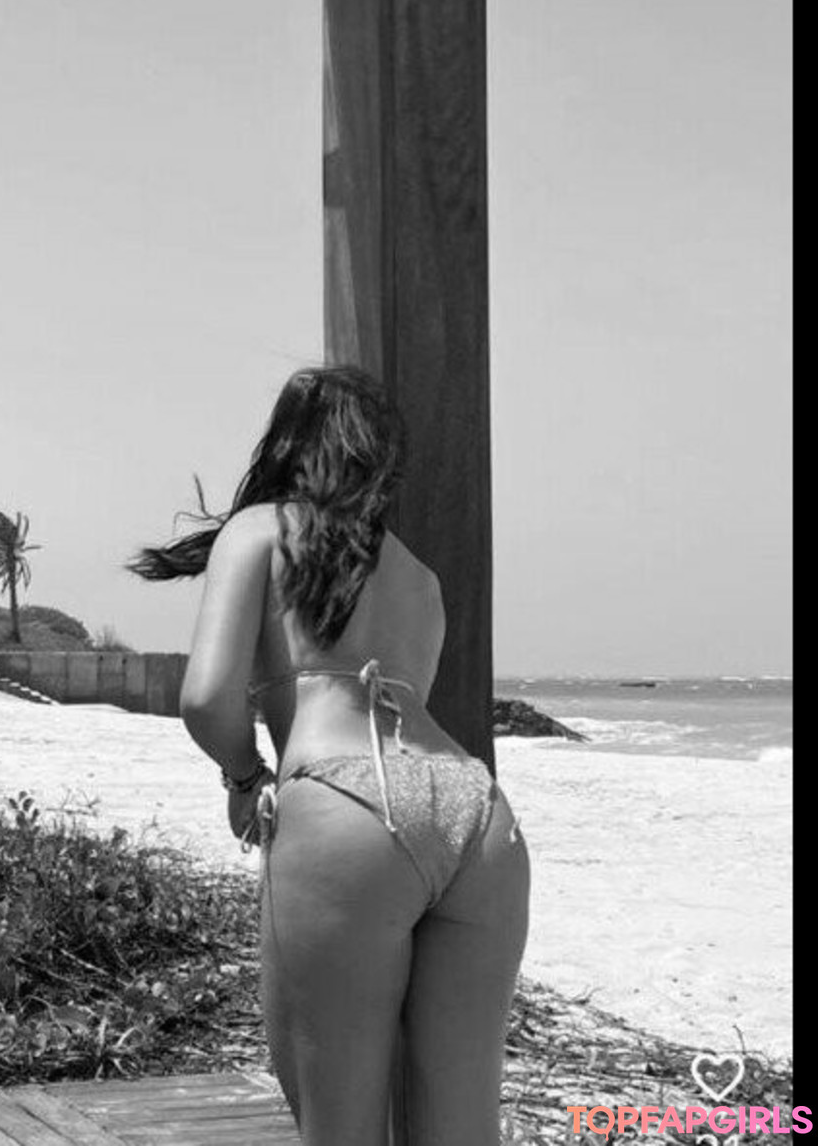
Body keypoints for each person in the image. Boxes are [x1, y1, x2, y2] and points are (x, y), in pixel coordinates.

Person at [128, 365, 530, 1146]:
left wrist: (244, 776)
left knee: (339, 1126)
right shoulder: (420, 578)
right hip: (478, 816)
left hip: (348, 805)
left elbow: (205, 697)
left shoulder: (259, 530)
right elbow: (405, 717)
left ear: (284, 444)